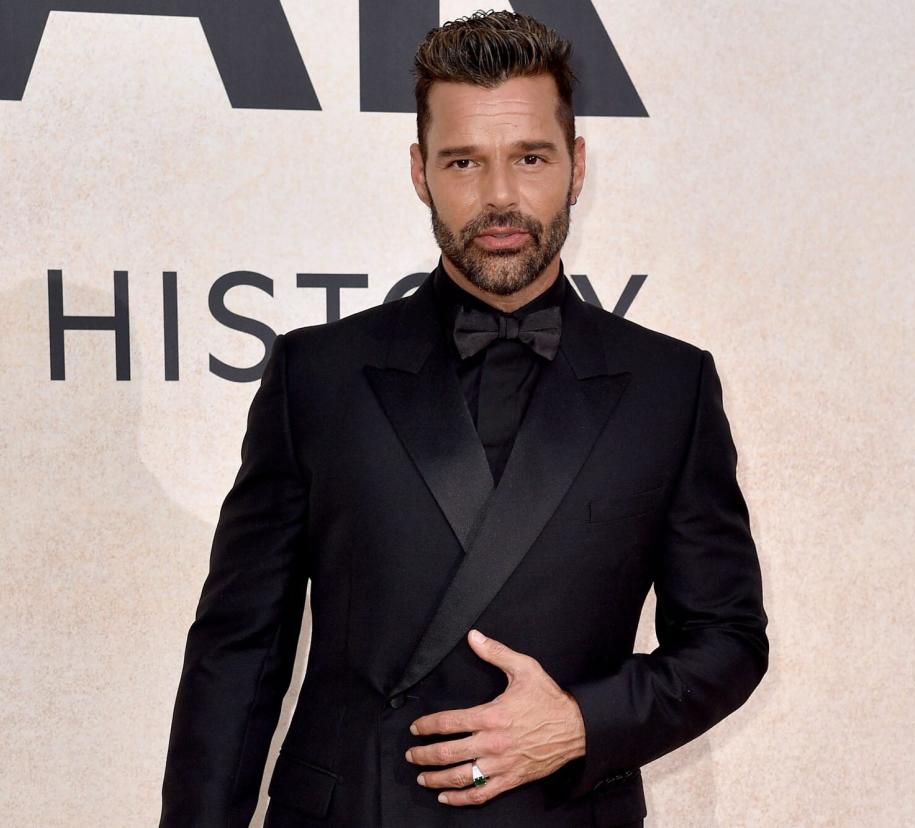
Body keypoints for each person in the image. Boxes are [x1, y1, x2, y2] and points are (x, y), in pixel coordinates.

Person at [160, 11, 768, 828]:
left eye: (530, 157)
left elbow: (728, 638)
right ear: (420, 171)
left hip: (559, 811)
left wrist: (581, 726)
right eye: (463, 162)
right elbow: (239, 649)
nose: (500, 197)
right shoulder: (319, 376)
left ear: (577, 165)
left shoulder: (670, 386)